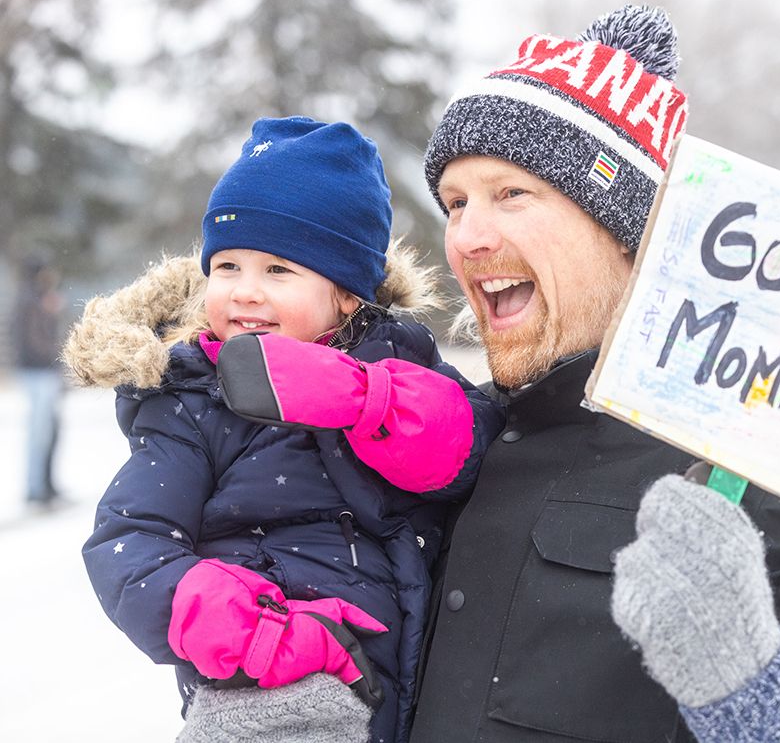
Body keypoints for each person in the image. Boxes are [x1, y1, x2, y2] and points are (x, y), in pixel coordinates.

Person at [406, 5, 780, 743]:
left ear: (627, 230)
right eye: (454, 203)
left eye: (512, 193)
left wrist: (752, 696)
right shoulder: (453, 445)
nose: (467, 236)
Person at [64, 117, 503, 743]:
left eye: (278, 271)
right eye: (227, 267)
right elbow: (130, 544)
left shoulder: (398, 362)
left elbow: (464, 449)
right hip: (272, 691)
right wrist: (258, 633)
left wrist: (364, 398)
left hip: (412, 681)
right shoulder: (194, 401)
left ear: (347, 294)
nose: (245, 292)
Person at [12, 255, 67, 511]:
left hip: (42, 372)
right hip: (38, 373)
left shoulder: (38, 298)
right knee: (41, 432)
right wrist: (55, 358)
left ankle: (45, 485)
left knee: (50, 430)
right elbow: (34, 342)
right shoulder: (31, 301)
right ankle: (37, 489)